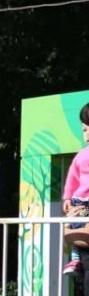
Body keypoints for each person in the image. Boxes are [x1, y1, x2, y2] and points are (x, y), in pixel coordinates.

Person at [60, 102, 89, 281]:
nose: (87, 134)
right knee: (75, 227)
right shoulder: (81, 155)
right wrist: (67, 198)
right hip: (80, 201)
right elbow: (72, 178)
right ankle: (75, 259)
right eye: (84, 130)